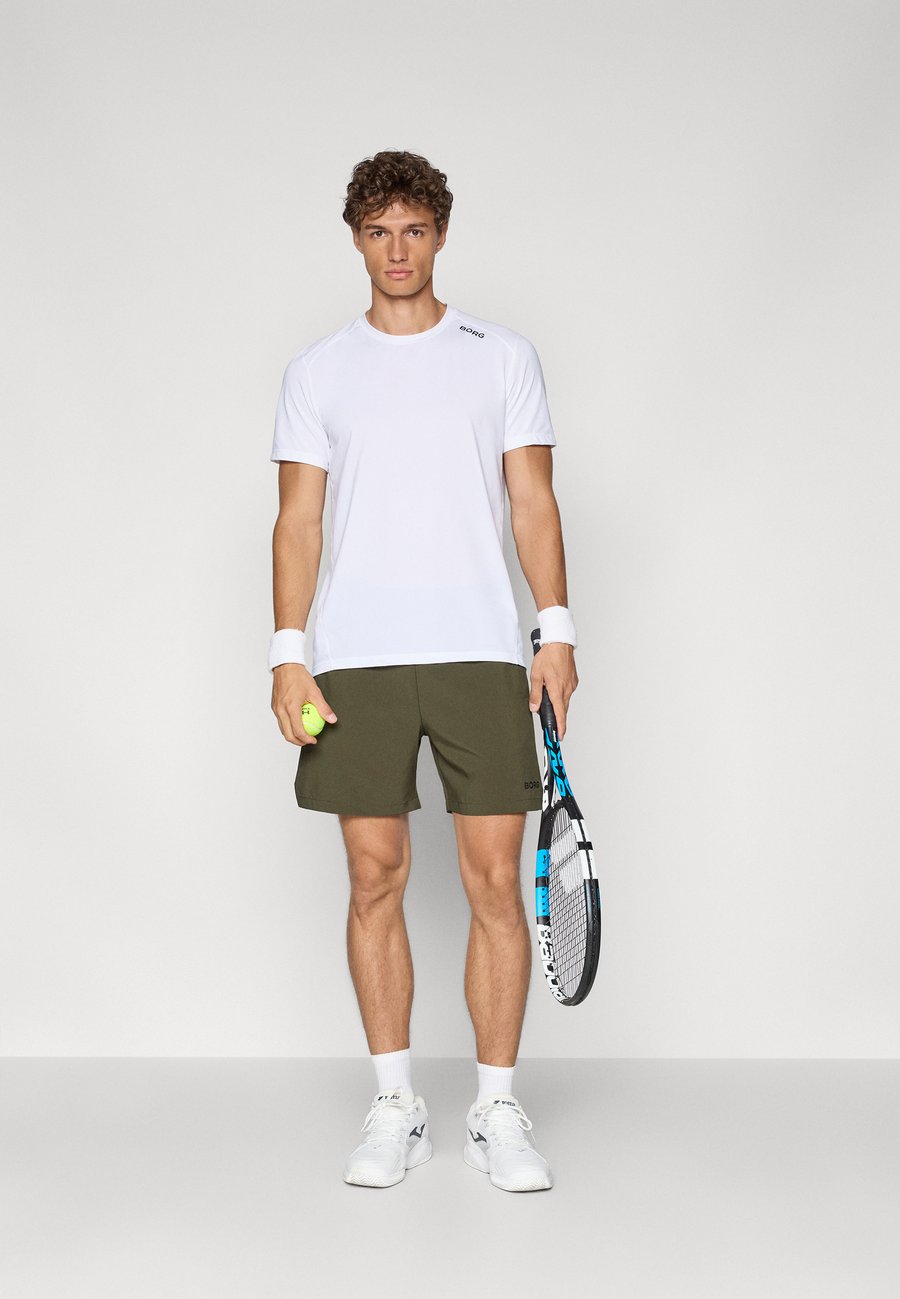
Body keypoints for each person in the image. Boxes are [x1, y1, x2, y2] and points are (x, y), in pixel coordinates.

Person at [268, 150, 578, 1193]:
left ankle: (495, 1107)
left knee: (495, 881)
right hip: (355, 659)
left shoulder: (503, 357)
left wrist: (556, 631)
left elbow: (532, 501)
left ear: (440, 233)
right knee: (374, 878)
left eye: (413, 229)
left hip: (481, 649)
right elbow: (298, 521)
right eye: (377, 231)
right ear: (355, 239)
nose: (396, 249)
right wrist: (288, 655)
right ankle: (395, 1102)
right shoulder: (316, 371)